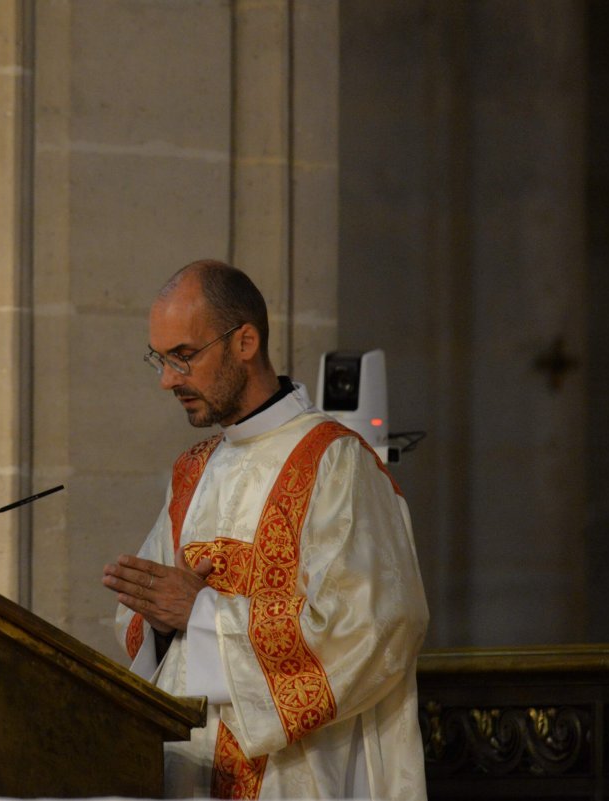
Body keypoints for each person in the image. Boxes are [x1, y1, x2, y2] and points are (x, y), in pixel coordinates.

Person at [103, 260, 429, 799]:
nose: (167, 380)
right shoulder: (192, 471)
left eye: (183, 356)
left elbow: (379, 626)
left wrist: (204, 616)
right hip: (187, 771)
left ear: (245, 341)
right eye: (159, 359)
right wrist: (160, 622)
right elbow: (148, 626)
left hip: (295, 776)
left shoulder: (336, 464)